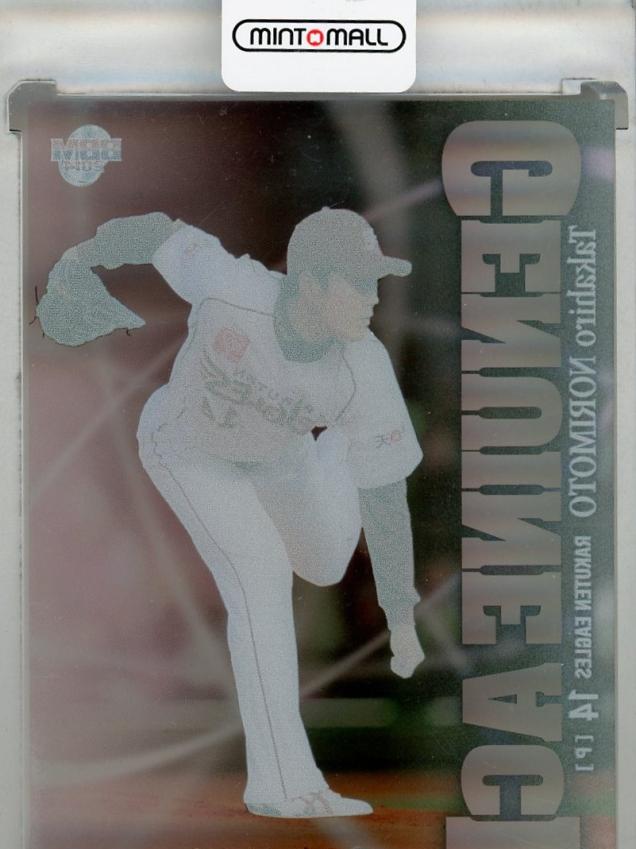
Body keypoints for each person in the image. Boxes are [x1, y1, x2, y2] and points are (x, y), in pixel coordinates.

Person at [37, 207, 425, 818]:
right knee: (261, 574)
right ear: (311, 283)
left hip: (281, 458)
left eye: (375, 281)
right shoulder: (232, 286)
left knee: (325, 563)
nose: (373, 297)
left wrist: (400, 616)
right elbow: (159, 231)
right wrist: (83, 256)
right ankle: (282, 784)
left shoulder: (363, 366)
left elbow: (383, 494)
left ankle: (343, 446)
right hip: (189, 449)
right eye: (358, 282)